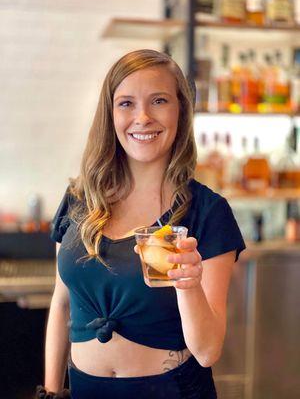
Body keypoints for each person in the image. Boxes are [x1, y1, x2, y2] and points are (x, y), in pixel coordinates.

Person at [38, 49, 245, 399]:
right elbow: (61, 304)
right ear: (110, 114)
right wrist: (51, 392)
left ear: (181, 110)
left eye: (159, 100)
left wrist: (189, 284)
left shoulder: (207, 212)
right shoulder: (79, 199)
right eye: (126, 103)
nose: (143, 117)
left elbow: (208, 352)